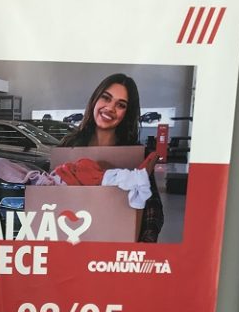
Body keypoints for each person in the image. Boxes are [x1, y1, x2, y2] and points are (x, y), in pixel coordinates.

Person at [61, 72, 164, 242]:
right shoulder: (68, 146)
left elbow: (153, 210)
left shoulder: (137, 155)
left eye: (121, 105)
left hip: (115, 250)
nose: (110, 108)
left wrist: (143, 245)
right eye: (106, 98)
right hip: (72, 242)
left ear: (127, 113)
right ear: (95, 99)